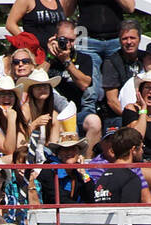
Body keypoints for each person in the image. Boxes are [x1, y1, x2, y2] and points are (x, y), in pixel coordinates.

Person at [49, 19, 100, 155]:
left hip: (79, 112)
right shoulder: (47, 59)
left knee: (94, 122)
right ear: (55, 37)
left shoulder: (84, 59)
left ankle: (87, 164)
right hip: (53, 113)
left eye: (72, 40)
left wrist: (66, 61)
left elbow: (84, 84)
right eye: (64, 40)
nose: (68, 44)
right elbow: (37, 77)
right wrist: (50, 57)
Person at [91, 126, 150, 204]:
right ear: (133, 150)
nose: (142, 151)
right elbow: (130, 210)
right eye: (141, 147)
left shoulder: (104, 176)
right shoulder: (131, 178)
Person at [99, 20, 141, 126]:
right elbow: (112, 101)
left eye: (132, 38)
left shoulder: (145, 59)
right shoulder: (111, 62)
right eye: (125, 38)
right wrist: (131, 119)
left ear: (139, 39)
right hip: (118, 116)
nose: (129, 42)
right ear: (119, 40)